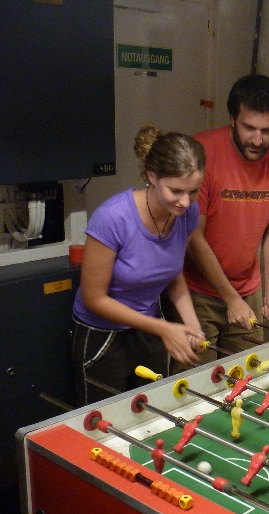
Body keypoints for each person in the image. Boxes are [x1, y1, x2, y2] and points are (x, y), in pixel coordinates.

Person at [71, 125, 206, 405]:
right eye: (176, 191)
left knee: (153, 414)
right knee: (104, 426)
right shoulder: (112, 218)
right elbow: (94, 298)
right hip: (103, 336)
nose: (185, 201)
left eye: (193, 191)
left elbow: (172, 273)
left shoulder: (187, 213)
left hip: (149, 331)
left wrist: (191, 324)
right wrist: (163, 328)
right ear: (151, 176)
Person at [179, 74, 269, 364]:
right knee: (195, 387)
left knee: (246, 378)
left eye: (267, 131)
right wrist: (229, 297)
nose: (257, 140)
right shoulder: (202, 154)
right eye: (249, 128)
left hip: (249, 290)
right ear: (232, 119)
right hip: (196, 291)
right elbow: (192, 235)